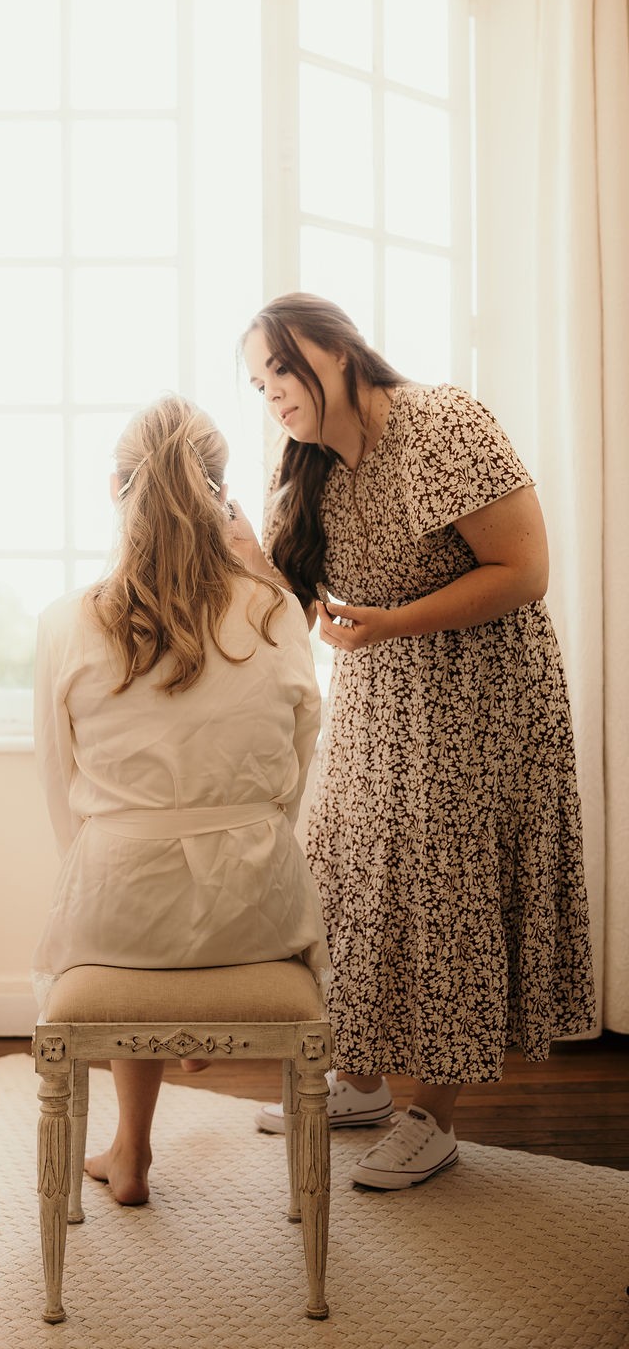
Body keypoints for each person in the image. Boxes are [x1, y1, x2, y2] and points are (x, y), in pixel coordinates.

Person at [231, 291, 596, 1191]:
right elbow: (307, 599)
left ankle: (433, 1115)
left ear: (338, 347)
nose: (271, 390)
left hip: (482, 696)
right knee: (354, 877)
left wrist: (392, 624)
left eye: (282, 366)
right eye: (257, 379)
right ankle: (359, 1081)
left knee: (443, 889)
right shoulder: (309, 461)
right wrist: (245, 555)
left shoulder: (443, 424)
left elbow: (526, 570)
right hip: (382, 695)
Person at [32, 393, 329, 1206]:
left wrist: (123, 866)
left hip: (115, 908)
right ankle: (135, 1137)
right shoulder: (274, 614)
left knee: (134, 881)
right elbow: (293, 776)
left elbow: (64, 792)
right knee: (190, 880)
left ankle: (129, 1154)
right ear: (224, 495)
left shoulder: (68, 622)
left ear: (114, 487)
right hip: (259, 907)